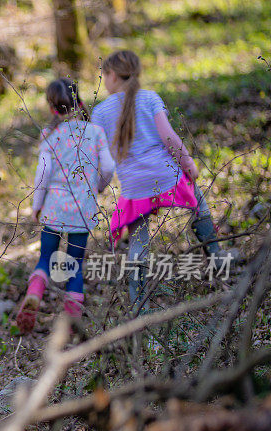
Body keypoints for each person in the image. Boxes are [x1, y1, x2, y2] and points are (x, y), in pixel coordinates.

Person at [91, 50, 229, 309]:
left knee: (139, 239)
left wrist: (97, 186)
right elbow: (169, 138)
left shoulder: (99, 112)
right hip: (167, 176)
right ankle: (216, 255)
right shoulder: (150, 98)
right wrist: (188, 164)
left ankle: (137, 299)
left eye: (104, 74)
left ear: (111, 75)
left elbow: (105, 161)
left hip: (134, 187)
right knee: (198, 204)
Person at [15, 79, 115, 333]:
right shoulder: (95, 132)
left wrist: (37, 206)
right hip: (83, 209)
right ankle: (72, 321)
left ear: (52, 108)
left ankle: (35, 294)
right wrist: (98, 187)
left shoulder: (50, 134)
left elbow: (43, 173)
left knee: (46, 257)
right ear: (77, 100)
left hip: (54, 208)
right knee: (74, 264)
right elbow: (108, 167)